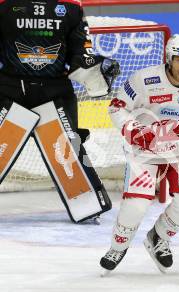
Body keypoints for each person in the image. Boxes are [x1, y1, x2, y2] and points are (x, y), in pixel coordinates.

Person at [100, 34, 179, 274]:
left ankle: (159, 237)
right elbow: (117, 108)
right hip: (144, 152)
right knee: (136, 205)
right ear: (168, 59)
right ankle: (119, 245)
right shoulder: (145, 80)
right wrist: (137, 131)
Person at [0, 0, 119, 222]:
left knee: (68, 149)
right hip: (10, 89)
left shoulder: (71, 7)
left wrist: (93, 67)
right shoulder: (6, 5)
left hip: (55, 91)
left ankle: (88, 204)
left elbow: (80, 51)